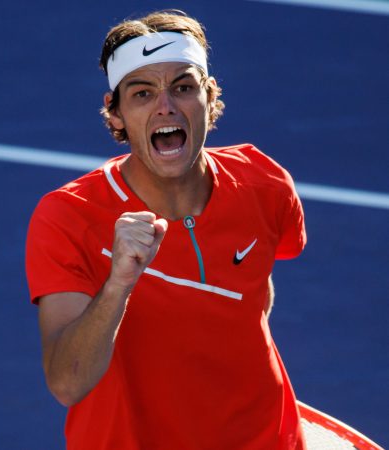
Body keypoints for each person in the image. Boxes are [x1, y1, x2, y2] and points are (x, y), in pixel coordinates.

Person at [26, 10, 307, 450]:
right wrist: (119, 282)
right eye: (142, 93)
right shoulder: (67, 216)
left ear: (210, 98)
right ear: (115, 113)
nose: (166, 105)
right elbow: (67, 382)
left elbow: (255, 291)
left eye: (183, 87)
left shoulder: (265, 183)